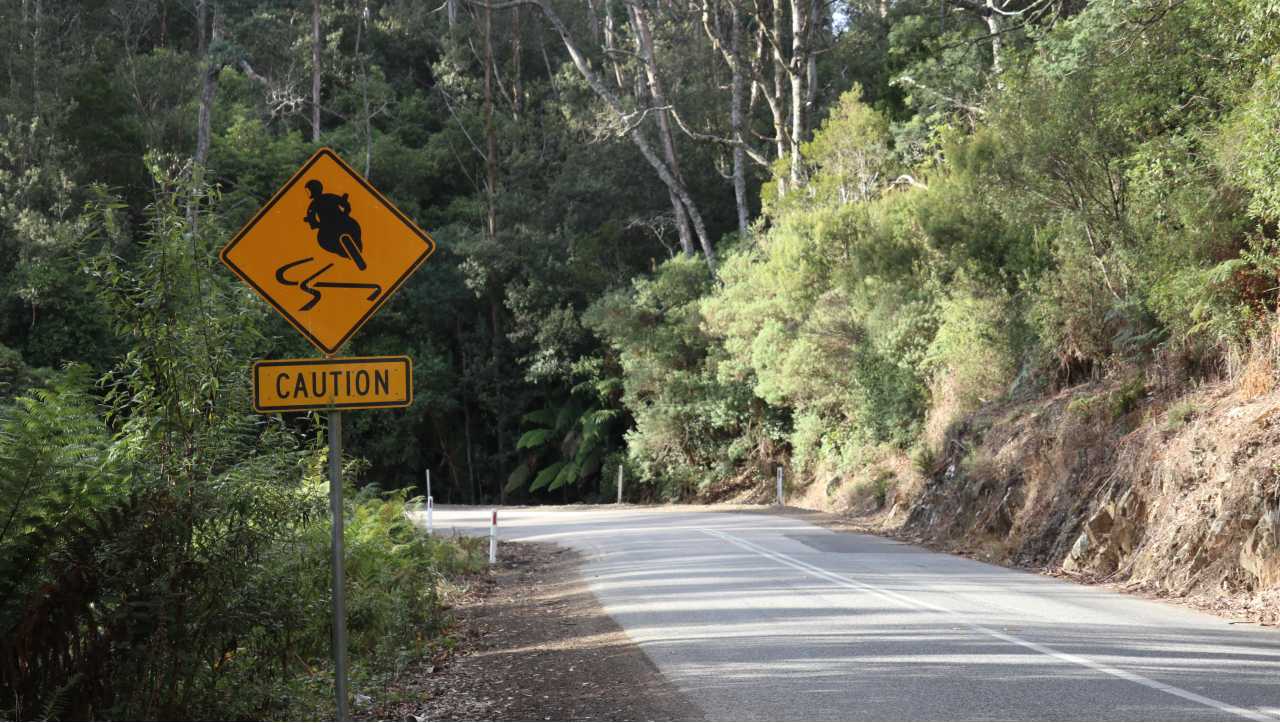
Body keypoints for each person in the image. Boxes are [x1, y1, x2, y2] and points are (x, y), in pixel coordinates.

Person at [303, 179, 366, 270]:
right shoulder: (330, 197)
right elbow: (346, 205)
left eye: (309, 190)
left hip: (330, 227)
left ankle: (351, 252)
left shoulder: (313, 204)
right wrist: (345, 214)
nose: (308, 192)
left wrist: (318, 225)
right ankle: (348, 256)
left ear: (313, 190)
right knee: (353, 228)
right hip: (342, 221)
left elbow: (312, 219)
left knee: (324, 241)